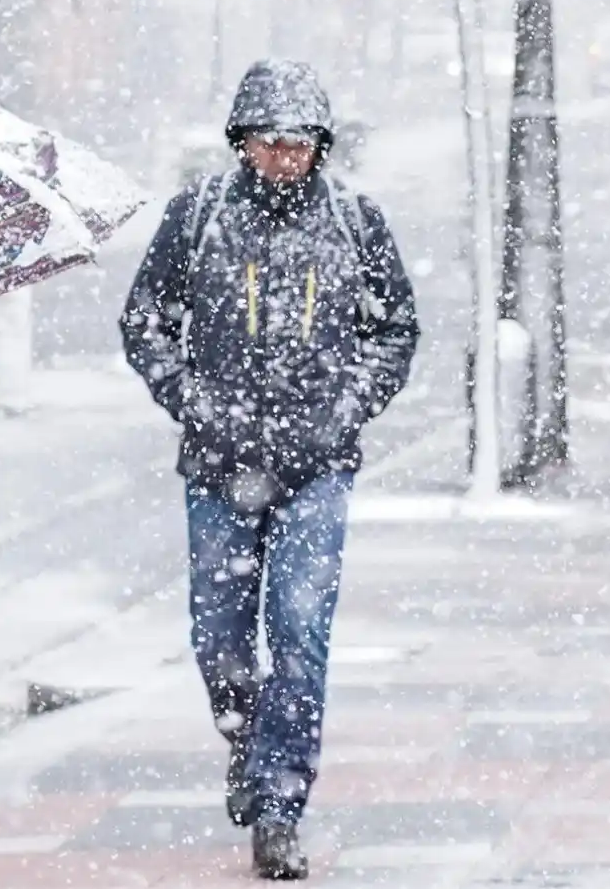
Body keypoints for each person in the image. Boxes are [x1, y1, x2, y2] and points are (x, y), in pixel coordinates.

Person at [121, 60, 420, 881]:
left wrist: (346, 406)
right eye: (269, 141)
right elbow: (144, 318)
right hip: (219, 463)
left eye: (297, 142)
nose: (283, 156)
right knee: (218, 638)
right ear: (243, 142)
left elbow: (395, 329)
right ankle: (245, 731)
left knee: (298, 629)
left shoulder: (356, 220)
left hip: (316, 464)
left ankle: (281, 804)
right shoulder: (200, 216)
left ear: (319, 145)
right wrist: (191, 399)